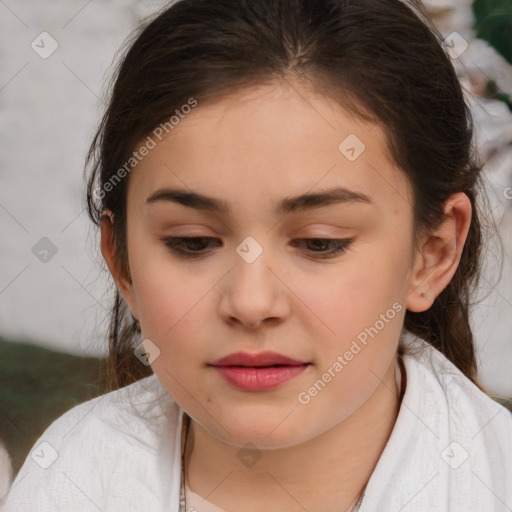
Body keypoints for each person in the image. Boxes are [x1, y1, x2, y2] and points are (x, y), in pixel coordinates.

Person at [4, 0, 512, 510]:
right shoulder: (65, 482)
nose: (250, 302)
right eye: (192, 242)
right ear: (122, 263)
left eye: (320, 243)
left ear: (431, 254)